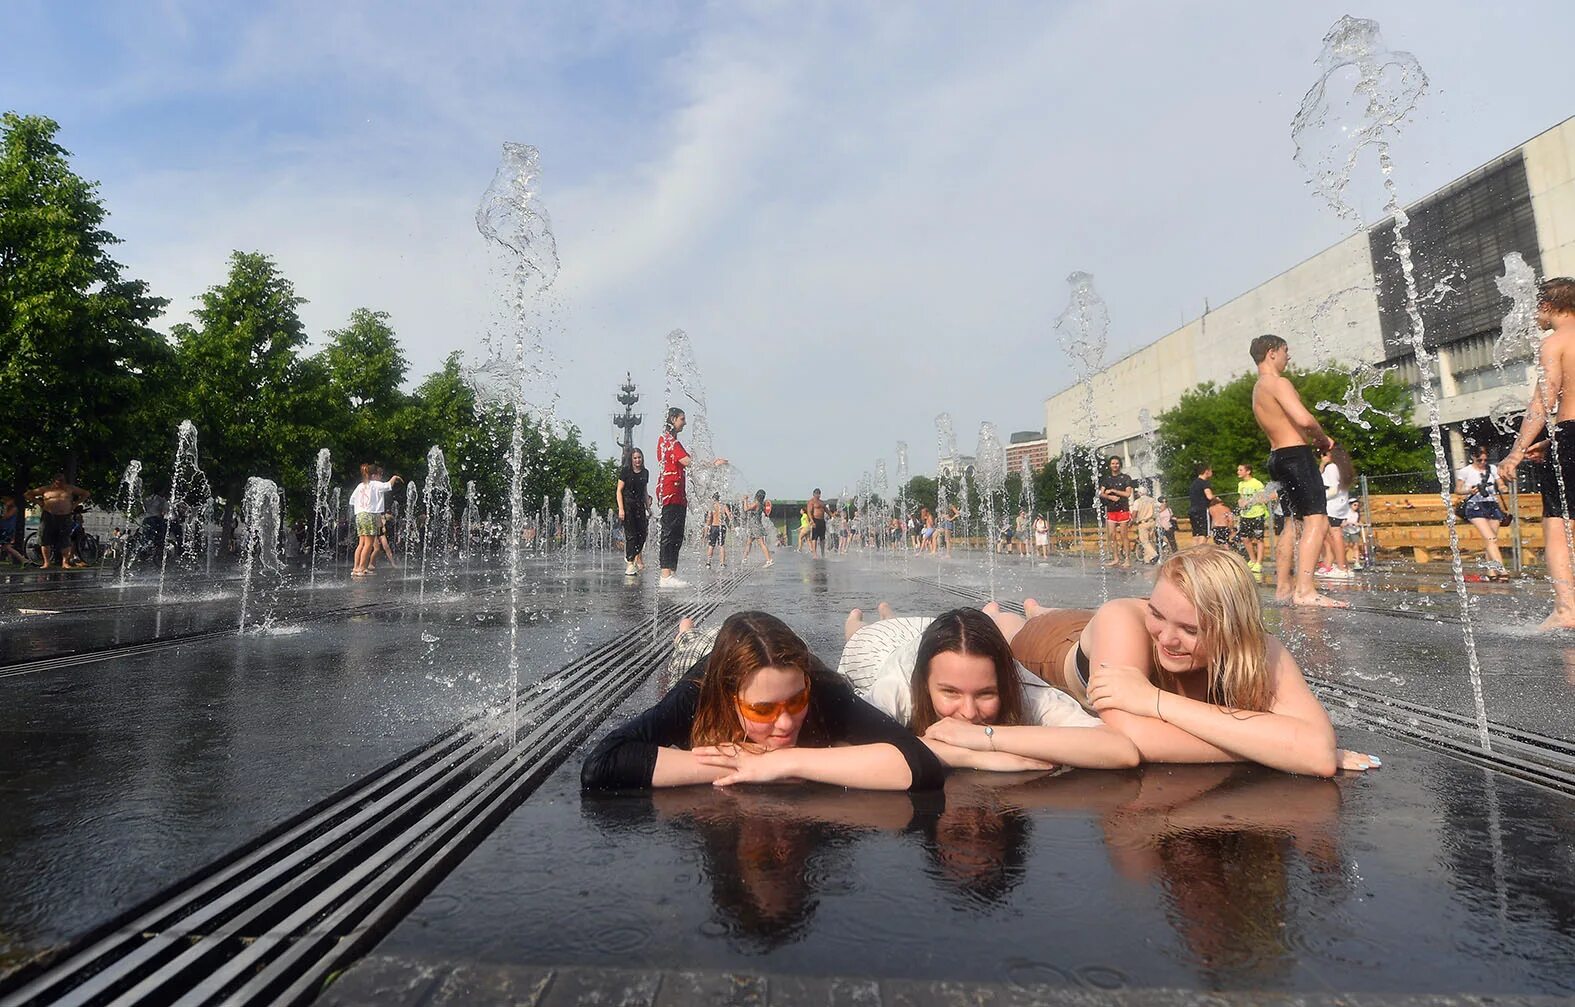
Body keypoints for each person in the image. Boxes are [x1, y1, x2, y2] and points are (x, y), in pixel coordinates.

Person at [1011, 545, 1379, 776]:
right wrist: (1272, 747)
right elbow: (1130, 738)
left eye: (1191, 629)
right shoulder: (1129, 622)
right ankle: (1029, 613)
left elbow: (1314, 751)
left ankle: (1042, 610)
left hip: (1101, 632)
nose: (1168, 640)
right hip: (1053, 647)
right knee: (1006, 627)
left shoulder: (1259, 647)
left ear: (1234, 630)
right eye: (1157, 613)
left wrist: (1154, 700)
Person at [580, 610, 944, 791]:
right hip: (698, 660)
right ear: (729, 699)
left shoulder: (820, 690)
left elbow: (920, 762)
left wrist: (787, 761)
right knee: (691, 645)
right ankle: (685, 633)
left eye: (795, 701)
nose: (785, 723)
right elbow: (603, 763)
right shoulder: (697, 694)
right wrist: (738, 761)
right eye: (763, 709)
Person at [838, 606, 1139, 772]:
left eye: (985, 694)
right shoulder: (898, 685)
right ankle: (858, 621)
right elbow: (845, 745)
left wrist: (986, 737)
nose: (969, 713)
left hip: (943, 636)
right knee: (860, 634)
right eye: (950, 693)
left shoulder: (1021, 685)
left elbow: (1120, 750)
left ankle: (890, 612)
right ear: (925, 684)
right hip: (879, 648)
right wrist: (969, 757)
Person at [1250, 334, 1345, 608]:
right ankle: (1305, 590)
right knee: (1319, 522)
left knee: (1292, 523)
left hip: (1277, 457)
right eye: (1285, 351)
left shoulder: (1257, 389)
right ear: (1271, 353)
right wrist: (1322, 438)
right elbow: (1304, 418)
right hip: (1295, 456)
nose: (1288, 357)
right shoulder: (1278, 383)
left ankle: (1283, 587)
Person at [1502, 277, 1575, 628]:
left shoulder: (1555, 343)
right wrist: (1551, 440)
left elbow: (1543, 401)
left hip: (1571, 434)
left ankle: (1566, 609)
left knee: (1558, 524)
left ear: (1547, 306)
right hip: (1566, 436)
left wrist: (1516, 452)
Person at [655, 407, 727, 590]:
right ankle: (665, 575)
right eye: (682, 419)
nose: (684, 423)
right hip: (670, 492)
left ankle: (671, 573)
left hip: (678, 494)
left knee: (677, 534)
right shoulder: (668, 440)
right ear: (672, 419)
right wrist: (712, 464)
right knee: (669, 532)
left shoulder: (672, 441)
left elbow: (688, 462)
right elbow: (687, 462)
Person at [1453, 446, 1508, 581]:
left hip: (1492, 505)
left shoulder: (1492, 469)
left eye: (1485, 459)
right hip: (1475, 506)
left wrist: (1502, 487)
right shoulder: (1465, 471)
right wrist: (1469, 491)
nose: (1483, 462)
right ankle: (1502, 570)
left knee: (1492, 541)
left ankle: (1491, 572)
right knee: (1491, 539)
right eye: (1479, 460)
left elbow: (1500, 483)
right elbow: (1458, 490)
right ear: (1473, 457)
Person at [24, 473, 91, 568]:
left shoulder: (70, 488)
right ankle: (46, 562)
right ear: (54, 481)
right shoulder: (46, 489)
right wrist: (38, 502)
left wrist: (75, 504)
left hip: (65, 516)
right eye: (59, 481)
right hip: (48, 515)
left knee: (65, 539)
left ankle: (65, 562)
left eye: (63, 480)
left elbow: (86, 493)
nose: (61, 483)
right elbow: (28, 494)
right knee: (45, 539)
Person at [350, 463, 401, 577]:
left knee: (361, 543)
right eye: (379, 474)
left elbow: (352, 501)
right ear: (373, 475)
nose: (380, 477)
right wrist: (394, 477)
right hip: (370, 515)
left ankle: (356, 567)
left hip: (359, 515)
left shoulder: (360, 486)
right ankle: (362, 568)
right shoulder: (374, 484)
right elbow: (388, 486)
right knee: (368, 544)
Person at [617, 448, 652, 577]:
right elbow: (619, 490)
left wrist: (648, 507)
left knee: (642, 534)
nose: (638, 460)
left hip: (640, 506)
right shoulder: (626, 471)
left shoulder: (645, 473)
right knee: (631, 535)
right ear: (631, 459)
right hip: (627, 506)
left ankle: (631, 555)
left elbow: (644, 491)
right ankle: (630, 563)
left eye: (639, 457)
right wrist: (621, 508)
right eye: (635, 458)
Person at [1098, 456, 1135, 568]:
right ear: (1110, 465)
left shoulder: (1126, 478)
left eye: (1117, 463)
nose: (1115, 465)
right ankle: (1116, 558)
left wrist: (1114, 491)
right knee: (1112, 535)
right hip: (1111, 510)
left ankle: (1127, 559)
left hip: (1123, 509)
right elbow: (1101, 493)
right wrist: (1110, 498)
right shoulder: (1107, 479)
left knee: (1124, 535)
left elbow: (1128, 494)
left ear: (1120, 465)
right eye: (1113, 463)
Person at [1235, 463, 1268, 574]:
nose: (1238, 472)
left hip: (1257, 514)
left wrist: (1249, 502)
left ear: (1248, 471)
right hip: (1245, 515)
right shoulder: (1240, 484)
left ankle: (1259, 562)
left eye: (1240, 470)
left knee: (1259, 538)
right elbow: (1241, 498)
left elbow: (1263, 498)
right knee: (1245, 538)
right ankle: (1252, 559)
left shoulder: (1257, 483)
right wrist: (1240, 503)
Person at [1187, 464, 1216, 545]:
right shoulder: (1204, 483)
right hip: (1202, 510)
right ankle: (1200, 554)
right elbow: (1209, 496)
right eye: (1211, 471)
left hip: (1192, 510)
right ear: (1206, 471)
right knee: (1204, 534)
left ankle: (1193, 554)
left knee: (1196, 534)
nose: (1212, 472)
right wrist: (1216, 498)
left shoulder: (1194, 484)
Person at [1, 495, 33, 565]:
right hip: (3, 528)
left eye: (6, 500)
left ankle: (24, 560)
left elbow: (6, 516)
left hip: (7, 530)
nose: (4, 502)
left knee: (7, 546)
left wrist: (6, 507)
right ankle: (23, 560)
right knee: (6, 547)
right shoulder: (5, 508)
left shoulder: (13, 508)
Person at [1130, 484, 1158, 564]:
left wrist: (1131, 522)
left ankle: (1154, 554)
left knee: (1145, 541)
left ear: (1139, 493)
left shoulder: (1137, 502)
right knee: (1151, 540)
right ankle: (1148, 559)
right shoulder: (1152, 500)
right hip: (1152, 522)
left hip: (1143, 523)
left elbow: (1134, 514)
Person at [704, 493, 729, 569]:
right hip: (722, 527)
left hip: (714, 527)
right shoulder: (724, 506)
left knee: (711, 545)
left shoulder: (712, 507)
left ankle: (708, 563)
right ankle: (722, 563)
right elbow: (729, 515)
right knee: (721, 545)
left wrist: (706, 530)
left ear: (713, 499)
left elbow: (709, 518)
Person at [805, 489, 829, 559]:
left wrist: (832, 515)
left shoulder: (822, 502)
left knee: (822, 538)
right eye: (816, 493)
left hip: (822, 521)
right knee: (814, 537)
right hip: (815, 520)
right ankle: (814, 554)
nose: (817, 495)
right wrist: (812, 521)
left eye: (819, 493)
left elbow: (826, 510)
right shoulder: (811, 502)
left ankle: (822, 553)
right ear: (813, 494)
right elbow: (809, 512)